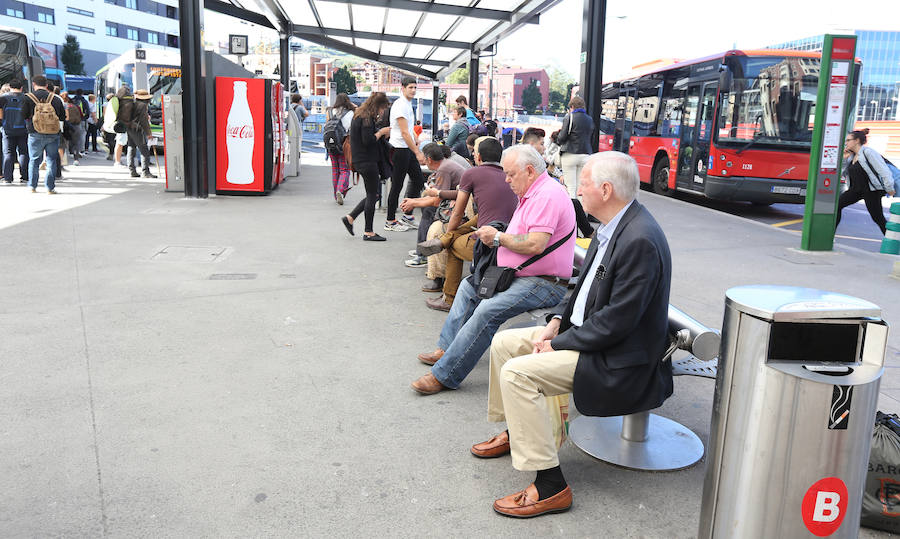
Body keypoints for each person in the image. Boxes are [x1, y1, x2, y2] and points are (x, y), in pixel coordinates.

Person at [473, 151, 672, 518]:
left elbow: (617, 323)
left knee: (518, 373)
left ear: (606, 190)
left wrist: (557, 343)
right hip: (589, 336)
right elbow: (582, 293)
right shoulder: (614, 226)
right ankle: (520, 433)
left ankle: (551, 486)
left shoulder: (639, 240)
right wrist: (555, 322)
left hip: (617, 357)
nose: (575, 187)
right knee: (504, 343)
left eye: (583, 183)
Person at [410, 144, 575, 395]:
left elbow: (536, 243)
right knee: (468, 286)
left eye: (510, 174)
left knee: (487, 309)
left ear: (529, 171)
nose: (506, 179)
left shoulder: (547, 195)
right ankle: (447, 349)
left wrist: (497, 237)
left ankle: (446, 374)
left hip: (544, 282)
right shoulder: (535, 191)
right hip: (521, 274)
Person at [418, 137, 518, 311]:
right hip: (508, 235)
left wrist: (448, 233)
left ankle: (449, 298)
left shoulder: (472, 173)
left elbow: (457, 211)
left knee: (452, 248)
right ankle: (446, 239)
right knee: (476, 218)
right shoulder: (508, 177)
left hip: (488, 242)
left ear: (478, 156)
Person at [400, 143, 466, 270]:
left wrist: (413, 203)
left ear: (429, 159)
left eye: (424, 158)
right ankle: (423, 246)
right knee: (427, 209)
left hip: (460, 205)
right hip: (456, 200)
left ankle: (423, 254)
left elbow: (436, 201)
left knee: (429, 211)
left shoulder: (444, 169)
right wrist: (413, 201)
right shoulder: (445, 164)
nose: (423, 161)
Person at [341, 92, 391, 241]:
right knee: (373, 195)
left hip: (361, 160)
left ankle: (350, 218)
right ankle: (368, 232)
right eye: (382, 109)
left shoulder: (360, 114)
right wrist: (381, 132)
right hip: (367, 161)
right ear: (378, 106)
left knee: (374, 194)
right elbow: (368, 140)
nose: (382, 112)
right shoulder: (366, 118)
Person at [385, 76, 426, 232]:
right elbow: (403, 132)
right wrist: (417, 152)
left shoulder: (408, 104)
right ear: (402, 88)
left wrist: (416, 140)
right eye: (410, 87)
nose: (413, 90)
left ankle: (407, 216)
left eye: (415, 87)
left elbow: (409, 130)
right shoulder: (400, 105)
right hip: (399, 149)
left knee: (418, 180)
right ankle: (390, 220)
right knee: (397, 185)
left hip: (407, 148)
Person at [838, 128, 895, 235]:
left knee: (878, 218)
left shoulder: (868, 152)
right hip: (855, 190)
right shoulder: (852, 156)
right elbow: (843, 173)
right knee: (837, 206)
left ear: (857, 141)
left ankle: (892, 240)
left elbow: (884, 171)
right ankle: (829, 237)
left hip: (871, 191)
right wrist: (844, 159)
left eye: (848, 140)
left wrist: (889, 188)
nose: (846, 143)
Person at [22, 75, 65, 193]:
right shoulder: (55, 98)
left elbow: (23, 115)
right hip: (52, 133)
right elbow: (62, 117)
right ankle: (50, 188)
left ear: (34, 84)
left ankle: (32, 186)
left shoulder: (28, 98)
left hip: (34, 132)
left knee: (34, 160)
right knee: (51, 160)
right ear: (46, 85)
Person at [556, 96, 594, 198]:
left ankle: (572, 212)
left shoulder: (569, 117)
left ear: (572, 107)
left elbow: (562, 136)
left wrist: (558, 140)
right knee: (580, 187)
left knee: (570, 187)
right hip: (585, 155)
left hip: (570, 154)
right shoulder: (589, 119)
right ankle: (581, 212)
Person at [326, 93, 356, 205]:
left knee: (335, 169)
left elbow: (327, 126)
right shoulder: (351, 113)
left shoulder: (329, 111)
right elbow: (351, 129)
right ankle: (341, 190)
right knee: (344, 169)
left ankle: (336, 194)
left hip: (331, 144)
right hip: (344, 144)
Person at [0, 79, 30, 183]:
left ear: (10, 87)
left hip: (8, 130)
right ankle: (25, 177)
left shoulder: (3, 98)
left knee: (8, 153)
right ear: (21, 87)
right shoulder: (26, 98)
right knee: (24, 153)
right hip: (23, 129)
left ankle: (8, 178)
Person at [125, 89, 156, 178]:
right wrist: (148, 133)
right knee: (144, 150)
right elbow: (144, 121)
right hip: (137, 129)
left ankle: (132, 171)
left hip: (129, 128)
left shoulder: (133, 104)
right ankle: (145, 172)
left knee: (131, 148)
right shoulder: (142, 106)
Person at [101, 92, 119, 161]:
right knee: (113, 139)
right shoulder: (117, 104)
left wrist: (103, 124)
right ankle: (114, 153)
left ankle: (111, 154)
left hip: (108, 124)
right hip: (115, 123)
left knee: (109, 139)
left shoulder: (106, 104)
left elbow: (104, 114)